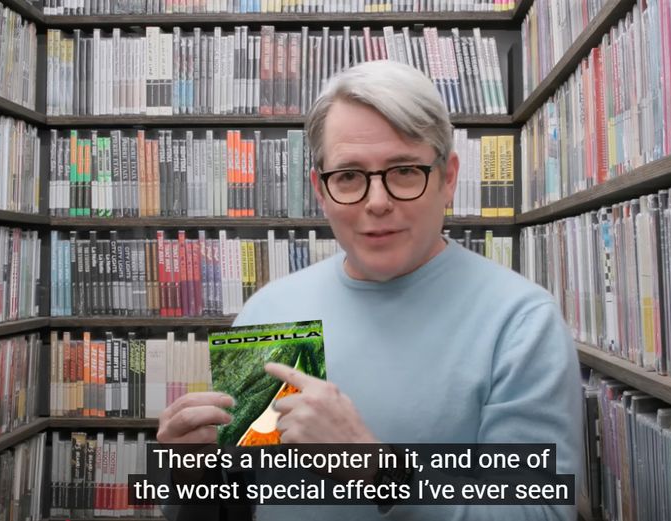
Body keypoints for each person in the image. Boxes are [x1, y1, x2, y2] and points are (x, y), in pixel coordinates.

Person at [159, 59, 582, 521]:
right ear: (320, 191)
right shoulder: (269, 308)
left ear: (449, 178)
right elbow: (238, 498)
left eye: (403, 171)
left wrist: (376, 472)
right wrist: (191, 478)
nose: (377, 203)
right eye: (349, 176)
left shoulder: (521, 323)